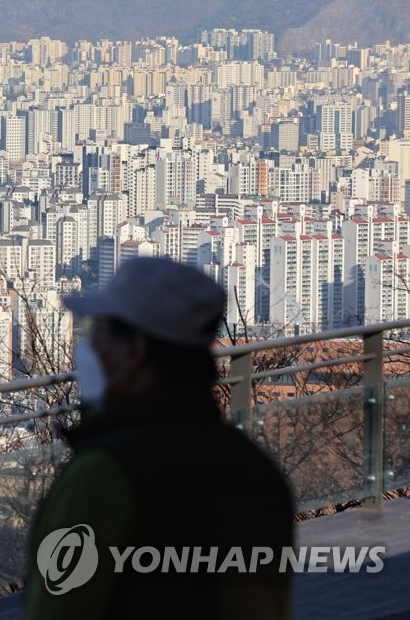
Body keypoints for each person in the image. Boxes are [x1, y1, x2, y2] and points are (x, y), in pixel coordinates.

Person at [24, 257, 294, 619]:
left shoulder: (102, 476)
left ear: (134, 350)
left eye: (100, 329)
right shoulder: (256, 468)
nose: (89, 343)